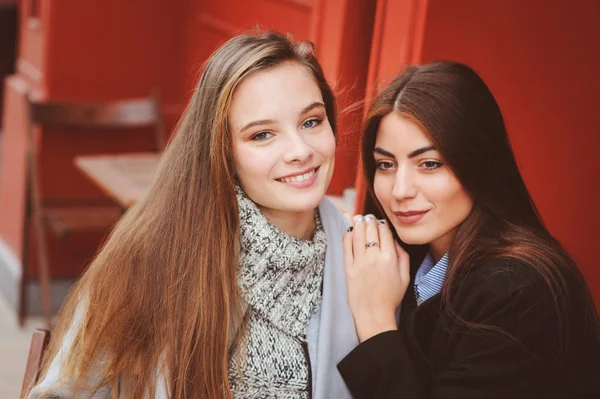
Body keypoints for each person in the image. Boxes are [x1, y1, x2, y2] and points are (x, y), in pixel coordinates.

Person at [27, 32, 358, 399]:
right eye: (262, 135)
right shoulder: (155, 256)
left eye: (311, 122)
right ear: (223, 151)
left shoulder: (361, 253)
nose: (299, 150)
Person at [338, 61, 600, 398]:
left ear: (476, 164)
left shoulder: (519, 289)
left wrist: (374, 317)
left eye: (429, 164)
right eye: (386, 164)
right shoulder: (403, 265)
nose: (400, 189)